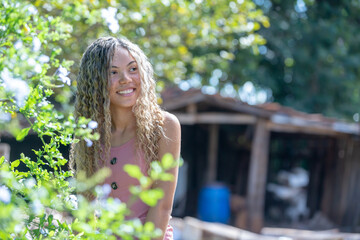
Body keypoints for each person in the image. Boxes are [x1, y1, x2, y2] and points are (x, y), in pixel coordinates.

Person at [70, 36, 181, 240]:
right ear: (96, 81)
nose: (125, 79)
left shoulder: (164, 126)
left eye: (132, 69)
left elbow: (162, 206)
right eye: (113, 72)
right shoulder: (90, 134)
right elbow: (85, 210)